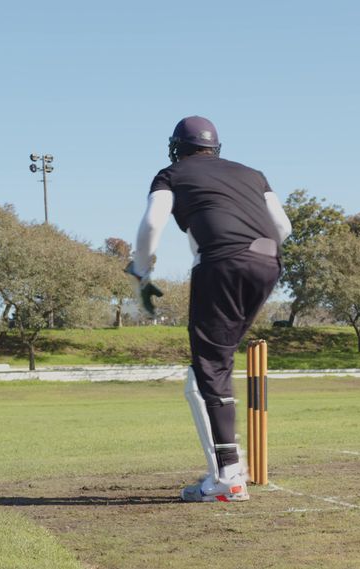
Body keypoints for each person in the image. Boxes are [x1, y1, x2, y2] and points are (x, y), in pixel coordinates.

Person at [127, 116, 292, 502]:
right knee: (214, 366)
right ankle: (228, 469)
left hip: (222, 264)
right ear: (216, 147)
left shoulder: (171, 174)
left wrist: (140, 270)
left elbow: (152, 224)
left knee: (208, 372)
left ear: (176, 148)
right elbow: (282, 227)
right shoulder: (253, 174)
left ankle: (227, 478)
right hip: (269, 264)